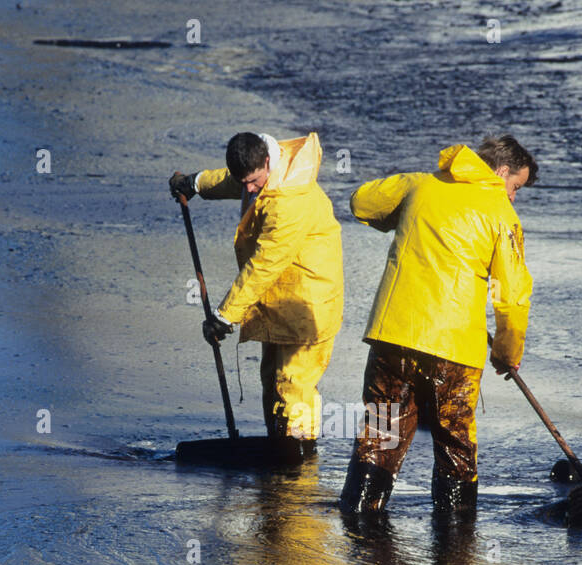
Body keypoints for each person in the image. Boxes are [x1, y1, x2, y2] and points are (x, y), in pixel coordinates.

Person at [340, 135, 536, 514]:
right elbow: (512, 297)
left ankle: (360, 517)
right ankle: (455, 534)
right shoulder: (502, 215)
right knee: (455, 443)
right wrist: (506, 353)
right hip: (453, 350)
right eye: (516, 187)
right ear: (500, 172)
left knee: (379, 433)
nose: (513, 197)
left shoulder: (420, 184)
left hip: (392, 337)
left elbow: (360, 202)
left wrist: (408, 211)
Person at [169, 132, 343, 454]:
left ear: (267, 161)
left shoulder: (289, 201)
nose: (248, 189)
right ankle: (279, 452)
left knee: (293, 384)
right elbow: (232, 181)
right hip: (280, 298)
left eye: (253, 181)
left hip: (309, 303)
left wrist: (224, 316)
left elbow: (264, 265)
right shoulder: (263, 172)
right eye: (244, 181)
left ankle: (298, 465)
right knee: (272, 380)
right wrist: (195, 184)